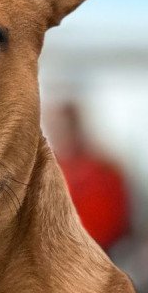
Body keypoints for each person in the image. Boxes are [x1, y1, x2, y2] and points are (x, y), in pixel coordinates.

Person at [49, 101, 131, 253]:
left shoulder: (104, 169)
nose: (62, 133)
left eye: (66, 127)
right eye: (56, 127)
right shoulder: (45, 171)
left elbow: (120, 220)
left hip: (101, 252)